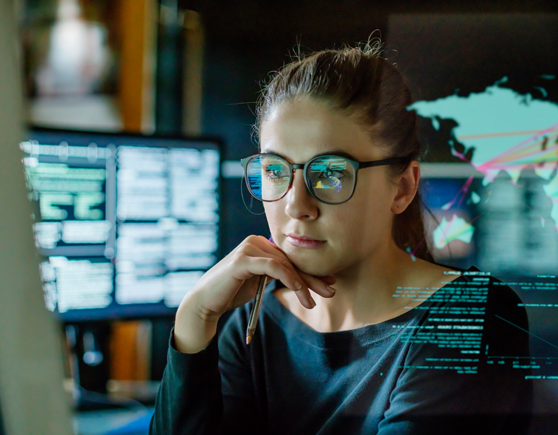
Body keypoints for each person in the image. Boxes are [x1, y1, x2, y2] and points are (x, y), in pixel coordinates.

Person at [150, 40, 533, 435]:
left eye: (331, 173)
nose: (297, 205)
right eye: (276, 171)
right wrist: (194, 316)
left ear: (401, 188)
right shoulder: (254, 323)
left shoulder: (474, 317)